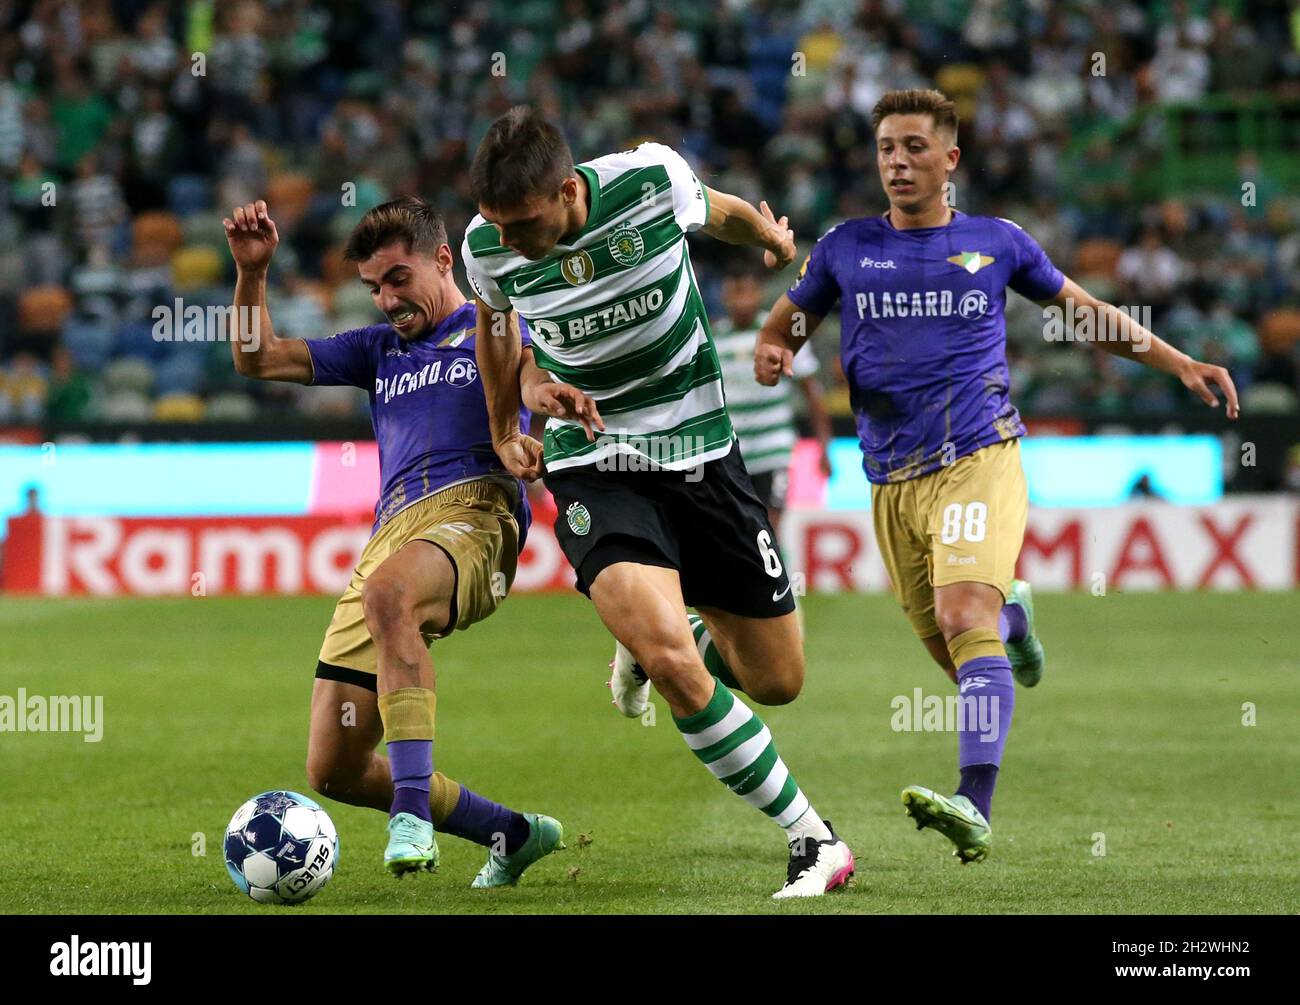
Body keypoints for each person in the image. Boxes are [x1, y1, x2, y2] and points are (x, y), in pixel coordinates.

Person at [755, 88, 1239, 864]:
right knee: (964, 651)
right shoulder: (845, 247)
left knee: (959, 614)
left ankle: (973, 805)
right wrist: (775, 351)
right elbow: (783, 326)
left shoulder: (996, 240)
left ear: (950, 159)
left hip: (980, 454)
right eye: (886, 148)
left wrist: (1176, 359)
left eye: (914, 147)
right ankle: (1016, 622)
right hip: (888, 479)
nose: (898, 162)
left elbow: (1082, 313)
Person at [463, 106, 853, 899]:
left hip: (702, 453)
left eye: (523, 223)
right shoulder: (484, 248)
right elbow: (502, 336)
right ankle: (813, 839)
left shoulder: (650, 180)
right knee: (677, 663)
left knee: (776, 679)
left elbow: (726, 212)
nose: (506, 242)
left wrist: (773, 242)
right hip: (592, 465)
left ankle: (663, 637)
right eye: (496, 225)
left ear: (569, 190)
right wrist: (518, 415)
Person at [224, 195, 564, 887]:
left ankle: (410, 813)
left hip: (475, 512)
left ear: (444, 259)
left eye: (398, 278)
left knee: (389, 594)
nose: (386, 299)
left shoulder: (493, 326)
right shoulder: (380, 350)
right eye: (373, 287)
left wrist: (543, 398)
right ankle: (511, 831)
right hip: (392, 534)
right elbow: (258, 361)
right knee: (334, 767)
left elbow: (531, 373)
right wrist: (252, 273)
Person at [712, 268, 832, 535]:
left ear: (759, 294)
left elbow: (811, 391)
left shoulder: (779, 333)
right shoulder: (714, 339)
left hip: (774, 450)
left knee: (770, 527)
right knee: (740, 531)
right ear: (723, 298)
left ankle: (780, 576)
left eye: (746, 293)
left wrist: (824, 445)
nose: (740, 301)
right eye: (734, 294)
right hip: (733, 454)